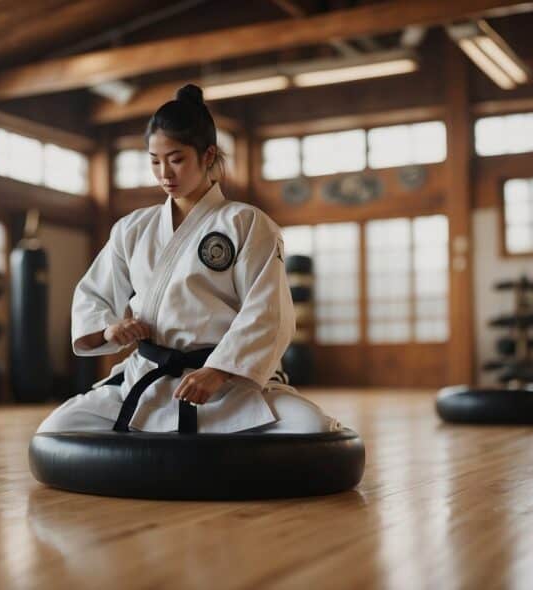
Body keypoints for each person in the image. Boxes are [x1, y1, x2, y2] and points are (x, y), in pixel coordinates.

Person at [36, 84, 339, 434]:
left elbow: (269, 312)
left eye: (176, 159)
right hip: (149, 380)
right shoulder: (133, 228)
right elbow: (93, 295)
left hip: (228, 387)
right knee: (57, 428)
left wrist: (218, 371)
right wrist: (111, 328)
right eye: (154, 161)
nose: (165, 173)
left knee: (312, 428)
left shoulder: (246, 223)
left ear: (208, 156)